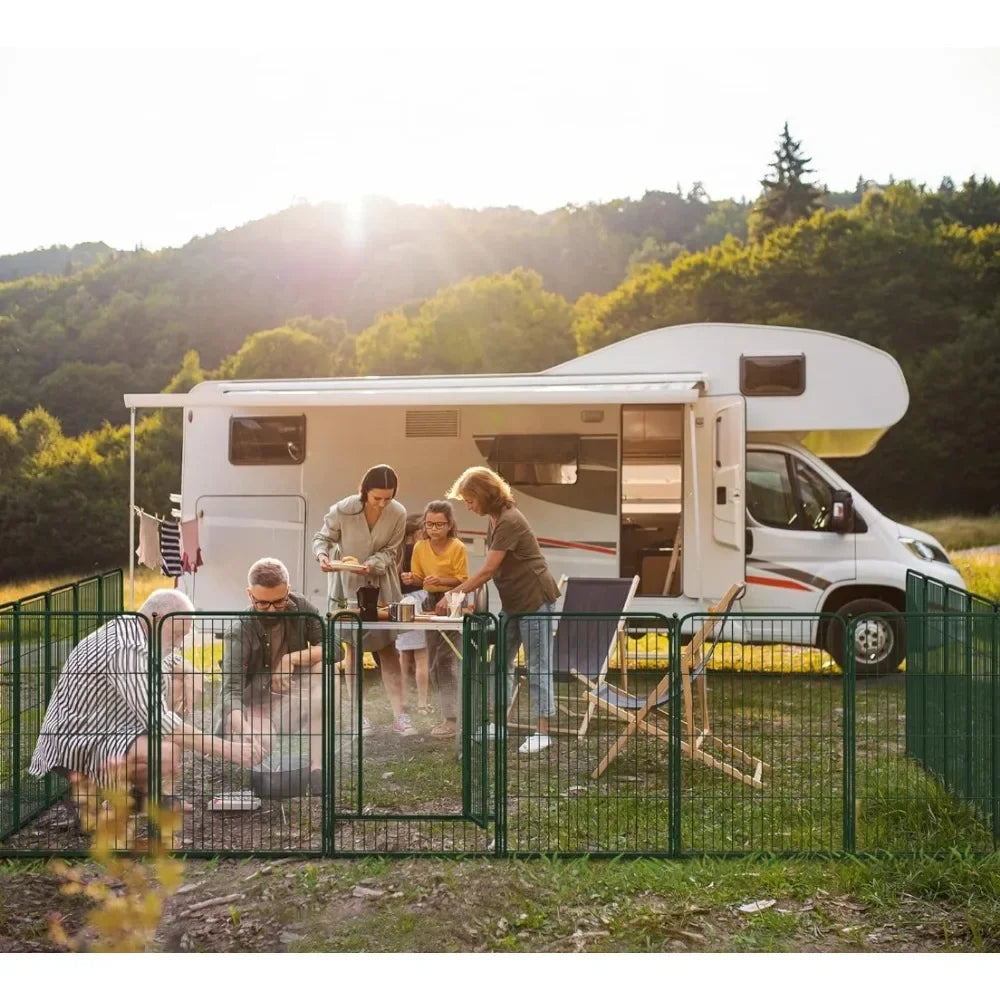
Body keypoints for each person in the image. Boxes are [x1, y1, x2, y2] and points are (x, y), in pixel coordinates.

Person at [28, 590, 263, 817]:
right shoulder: (126, 649)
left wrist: (192, 672)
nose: (180, 643)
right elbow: (162, 722)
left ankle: (141, 798)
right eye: (179, 635)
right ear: (159, 619)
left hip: (103, 728)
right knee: (167, 753)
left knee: (177, 680)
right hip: (76, 745)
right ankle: (89, 794)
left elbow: (169, 658)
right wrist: (230, 750)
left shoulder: (136, 625)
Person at [442, 466, 560, 754]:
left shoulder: (509, 520)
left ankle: (543, 732)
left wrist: (453, 594)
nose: (468, 506)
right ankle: (500, 724)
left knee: (537, 666)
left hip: (534, 599)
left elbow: (488, 570)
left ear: (485, 494)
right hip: (513, 602)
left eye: (470, 499)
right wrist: (470, 598)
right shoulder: (494, 519)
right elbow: (490, 572)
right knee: (500, 664)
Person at [216, 557, 336, 796]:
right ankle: (249, 747)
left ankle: (317, 768)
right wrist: (245, 728)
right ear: (250, 595)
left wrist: (290, 659)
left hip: (293, 698)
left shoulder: (301, 607)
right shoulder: (239, 630)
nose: (271, 610)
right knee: (264, 745)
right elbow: (231, 691)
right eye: (262, 604)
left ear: (288, 592)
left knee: (322, 670)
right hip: (255, 708)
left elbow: (335, 647)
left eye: (278, 602)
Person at [312, 464, 416, 736]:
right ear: (365, 492)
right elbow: (322, 537)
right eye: (376, 498)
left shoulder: (398, 513)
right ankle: (358, 716)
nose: (382, 504)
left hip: (381, 584)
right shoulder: (343, 509)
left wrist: (371, 564)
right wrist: (322, 556)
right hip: (347, 584)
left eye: (388, 498)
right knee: (353, 651)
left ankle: (399, 716)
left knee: (388, 650)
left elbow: (392, 551)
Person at [410, 500, 469, 739]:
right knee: (433, 661)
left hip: (453, 602)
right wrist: (411, 577)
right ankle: (448, 714)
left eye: (439, 524)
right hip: (429, 603)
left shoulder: (457, 547)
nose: (434, 529)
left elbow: (463, 580)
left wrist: (442, 582)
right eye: (429, 524)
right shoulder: (419, 547)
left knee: (445, 660)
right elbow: (418, 579)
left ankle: (453, 719)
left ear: (449, 525)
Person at [396, 513, 432, 716]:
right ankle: (422, 703)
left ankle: (402, 701)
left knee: (402, 656)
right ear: (417, 532)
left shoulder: (398, 552)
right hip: (417, 601)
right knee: (421, 657)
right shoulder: (420, 551)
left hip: (400, 602)